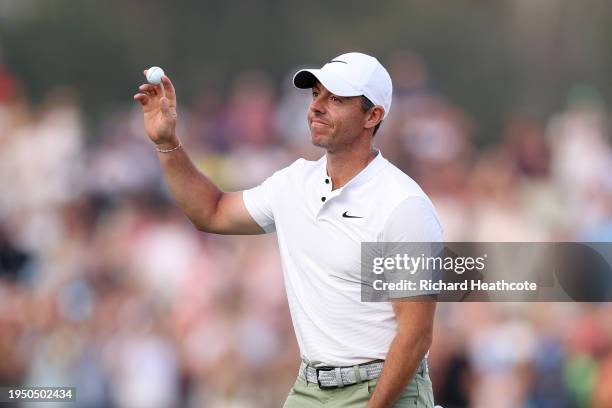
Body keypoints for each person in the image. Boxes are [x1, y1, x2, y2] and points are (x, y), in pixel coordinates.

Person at [133, 52, 442, 408]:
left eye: (336, 99)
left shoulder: (402, 205)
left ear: (373, 115)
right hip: (310, 389)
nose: (317, 108)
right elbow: (211, 213)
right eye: (316, 96)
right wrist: (166, 142)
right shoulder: (294, 183)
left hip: (386, 390)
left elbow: (415, 335)